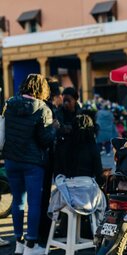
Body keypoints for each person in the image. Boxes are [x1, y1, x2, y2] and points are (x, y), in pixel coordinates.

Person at [3, 74, 56, 255]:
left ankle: (18, 242)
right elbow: (45, 140)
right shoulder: (43, 109)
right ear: (42, 89)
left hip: (11, 160)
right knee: (34, 203)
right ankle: (31, 245)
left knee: (18, 202)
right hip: (33, 163)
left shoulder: (9, 105)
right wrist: (54, 129)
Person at [37, 77, 62, 250]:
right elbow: (46, 137)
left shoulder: (40, 106)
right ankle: (44, 234)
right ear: (55, 94)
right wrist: (56, 128)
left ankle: (42, 232)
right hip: (47, 159)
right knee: (45, 197)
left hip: (39, 159)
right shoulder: (48, 109)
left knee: (41, 197)